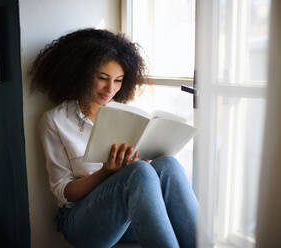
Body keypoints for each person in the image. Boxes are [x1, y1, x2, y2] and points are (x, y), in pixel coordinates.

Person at [31, 28, 198, 248]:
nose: (111, 89)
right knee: (138, 173)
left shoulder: (124, 115)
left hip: (128, 215)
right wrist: (106, 171)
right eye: (102, 78)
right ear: (82, 73)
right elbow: (64, 193)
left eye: (118, 80)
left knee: (167, 164)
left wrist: (142, 159)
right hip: (81, 220)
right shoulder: (55, 121)